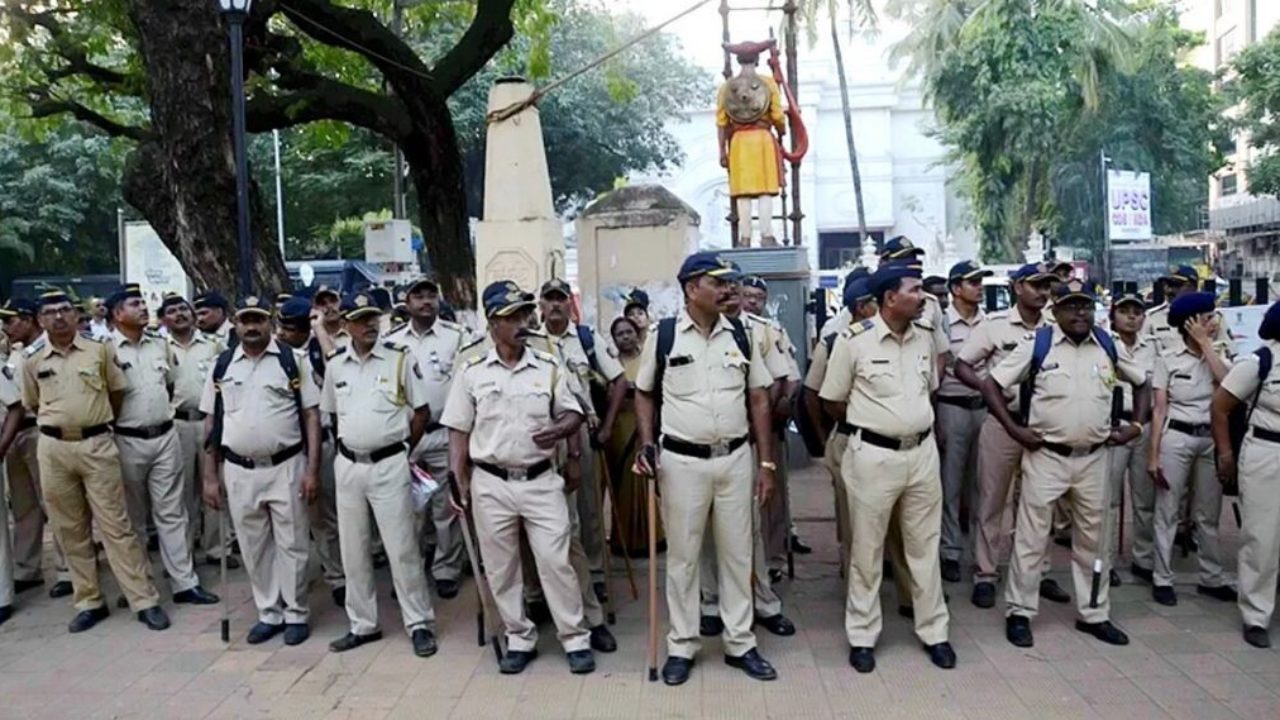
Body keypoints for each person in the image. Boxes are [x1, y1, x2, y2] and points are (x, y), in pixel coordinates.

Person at [974, 278, 1148, 648]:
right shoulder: (1038, 344)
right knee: (1031, 538)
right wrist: (1015, 429)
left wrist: (1136, 425)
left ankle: (1094, 612)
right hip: (1046, 457)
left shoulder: (1107, 343)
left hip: (1094, 458)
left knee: (1095, 542)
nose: (1080, 312)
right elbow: (991, 384)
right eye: (1071, 306)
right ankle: (1020, 611)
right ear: (1055, 312)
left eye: (1085, 306)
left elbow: (1143, 382)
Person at [634, 251, 779, 685]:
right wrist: (646, 442)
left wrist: (766, 461)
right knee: (683, 558)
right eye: (717, 282)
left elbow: (759, 399)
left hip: (736, 458)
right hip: (681, 463)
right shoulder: (662, 336)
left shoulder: (741, 334)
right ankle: (682, 644)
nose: (727, 289)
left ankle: (740, 642)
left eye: (728, 283)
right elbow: (644, 393)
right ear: (691, 288)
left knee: (738, 554)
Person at [441, 280, 596, 676]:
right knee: (502, 567)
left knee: (555, 561)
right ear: (493, 323)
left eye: (525, 313)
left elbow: (573, 412)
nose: (522, 322)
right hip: (491, 482)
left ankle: (575, 637)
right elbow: (458, 430)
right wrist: (456, 480)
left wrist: (561, 431)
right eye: (512, 316)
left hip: (541, 479)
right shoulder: (471, 372)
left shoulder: (547, 365)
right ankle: (519, 636)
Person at [818, 260, 955, 674]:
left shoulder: (925, 337)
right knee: (867, 548)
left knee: (923, 547)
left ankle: (934, 631)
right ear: (889, 298)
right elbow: (832, 400)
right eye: (915, 289)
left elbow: (928, 389)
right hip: (873, 457)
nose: (924, 297)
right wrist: (876, 424)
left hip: (922, 454)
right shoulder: (853, 340)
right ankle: (862, 635)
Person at [21, 290, 171, 634]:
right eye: (50, 313)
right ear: (40, 320)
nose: (58, 317)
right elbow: (32, 402)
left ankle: (143, 600)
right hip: (54, 448)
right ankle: (89, 600)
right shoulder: (32, 359)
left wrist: (95, 423)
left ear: (76, 315)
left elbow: (116, 392)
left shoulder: (99, 350)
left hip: (97, 444)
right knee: (69, 528)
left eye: (64, 310)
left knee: (116, 526)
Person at [321, 292, 438, 657]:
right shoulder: (336, 365)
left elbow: (422, 412)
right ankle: (363, 624)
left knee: (402, 547)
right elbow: (333, 416)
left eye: (374, 317)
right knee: (353, 549)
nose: (370, 324)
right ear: (346, 327)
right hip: (349, 465)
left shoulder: (399, 360)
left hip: (390, 464)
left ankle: (418, 623)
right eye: (361, 319)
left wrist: (402, 448)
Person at [200, 295, 322, 647]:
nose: (251, 328)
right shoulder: (222, 365)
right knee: (254, 545)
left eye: (258, 320)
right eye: (245, 320)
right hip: (238, 469)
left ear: (270, 322)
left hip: (287, 465)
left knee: (293, 543)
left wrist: (312, 470)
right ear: (236, 324)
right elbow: (211, 422)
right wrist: (210, 476)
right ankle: (269, 612)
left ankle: (296, 612)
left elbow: (311, 417)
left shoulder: (292, 361)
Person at [955, 263, 1071, 609]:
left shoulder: (1056, 327)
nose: (1042, 291)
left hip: (1044, 427)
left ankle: (1038, 571)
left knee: (1039, 502)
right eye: (1035, 285)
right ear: (1017, 287)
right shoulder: (995, 326)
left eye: (1047, 285)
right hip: (1004, 423)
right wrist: (992, 390)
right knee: (992, 501)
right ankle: (986, 574)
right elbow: (962, 365)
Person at [107, 284, 218, 606]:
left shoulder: (159, 345)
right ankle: (139, 586)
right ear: (117, 314)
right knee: (134, 519)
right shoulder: (105, 349)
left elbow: (168, 386)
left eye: (143, 302)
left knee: (173, 513)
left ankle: (185, 583)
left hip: (165, 435)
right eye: (134, 303)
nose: (143, 307)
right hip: (126, 438)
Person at [702, 276, 796, 639]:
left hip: (745, 443)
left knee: (749, 531)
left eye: (732, 290)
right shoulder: (678, 332)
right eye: (721, 289)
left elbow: (777, 383)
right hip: (699, 446)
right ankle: (711, 602)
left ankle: (763, 601)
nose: (727, 295)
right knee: (707, 531)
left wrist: (763, 434)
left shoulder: (759, 333)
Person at [537, 278, 628, 602]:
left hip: (584, 434)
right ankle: (557, 577)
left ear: (568, 303)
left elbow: (619, 380)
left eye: (561, 298)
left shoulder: (587, 339)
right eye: (550, 299)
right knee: (551, 512)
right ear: (541, 306)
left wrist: (606, 426)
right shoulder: (532, 342)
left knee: (588, 509)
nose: (556, 305)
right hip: (545, 436)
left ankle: (594, 573)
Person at [385, 276, 472, 600]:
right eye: (418, 296)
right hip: (406, 436)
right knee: (407, 509)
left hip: (443, 433)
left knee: (445, 508)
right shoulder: (391, 341)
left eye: (430, 295)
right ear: (406, 303)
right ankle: (410, 570)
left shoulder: (457, 337)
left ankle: (446, 569)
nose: (425, 301)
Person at [1148, 291, 1236, 607]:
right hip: (1177, 438)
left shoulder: (1220, 353)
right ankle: (1162, 578)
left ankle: (1211, 578)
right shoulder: (1167, 359)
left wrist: (1207, 346)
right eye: (1207, 317)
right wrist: (1154, 455)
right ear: (1190, 323)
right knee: (1167, 509)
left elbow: (1228, 384)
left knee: (1208, 513)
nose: (1213, 322)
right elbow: (1159, 409)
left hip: (1210, 438)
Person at [1211, 302, 1280, 648]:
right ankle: (1256, 615)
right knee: (1262, 538)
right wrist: (1226, 453)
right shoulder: (1261, 361)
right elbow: (1221, 407)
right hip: (1267, 452)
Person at [275, 297, 345, 607]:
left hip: (326, 441)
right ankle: (292, 582)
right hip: (290, 447)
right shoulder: (278, 355)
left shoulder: (319, 346)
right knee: (292, 520)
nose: (284, 333)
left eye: (292, 328)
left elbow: (337, 365)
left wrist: (318, 329)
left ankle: (337, 576)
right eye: (284, 327)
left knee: (326, 516)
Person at [2, 298, 72, 599]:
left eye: (11, 320)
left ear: (30, 320)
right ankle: (26, 567)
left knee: (52, 501)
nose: (6, 328)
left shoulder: (47, 348)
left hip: (37, 429)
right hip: (13, 433)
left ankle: (68, 569)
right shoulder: (17, 353)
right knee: (23, 505)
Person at [740, 274, 809, 560]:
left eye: (758, 298)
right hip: (729, 426)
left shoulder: (770, 331)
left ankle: (772, 555)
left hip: (766, 425)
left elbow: (790, 378)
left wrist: (779, 408)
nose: (752, 303)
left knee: (771, 494)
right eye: (748, 296)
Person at [936, 261, 992, 583]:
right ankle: (950, 552)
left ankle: (979, 554)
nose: (979, 287)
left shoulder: (990, 323)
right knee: (951, 484)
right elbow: (936, 368)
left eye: (980, 281)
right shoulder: (943, 323)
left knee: (982, 484)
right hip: (952, 406)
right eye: (972, 282)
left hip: (983, 407)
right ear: (956, 288)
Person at [1106, 292, 1158, 584]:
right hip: (1115, 425)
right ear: (1114, 316)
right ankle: (1108, 559)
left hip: (1145, 425)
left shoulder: (1154, 346)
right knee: (1109, 499)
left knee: (1144, 498)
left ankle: (1144, 558)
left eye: (1137, 312)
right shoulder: (1103, 345)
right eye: (1124, 311)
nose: (1131, 316)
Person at [602, 316, 661, 557]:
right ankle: (623, 539)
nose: (625, 337)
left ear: (637, 334)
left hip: (643, 425)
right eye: (619, 334)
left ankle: (653, 537)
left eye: (629, 332)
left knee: (644, 481)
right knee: (622, 485)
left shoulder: (648, 358)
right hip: (619, 428)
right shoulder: (611, 365)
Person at [718, 41, 786, 247]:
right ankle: (766, 236)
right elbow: (778, 115)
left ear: (738, 60)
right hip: (763, 139)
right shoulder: (768, 83)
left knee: (743, 191)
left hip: (739, 143)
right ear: (757, 60)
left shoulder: (726, 87)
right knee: (765, 189)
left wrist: (722, 151)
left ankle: (744, 238)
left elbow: (721, 123)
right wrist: (782, 129)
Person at [1145, 266, 1229, 354]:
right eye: (1169, 285)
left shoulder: (1213, 318)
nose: (1170, 290)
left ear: (1193, 288)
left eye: (1176, 285)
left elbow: (1228, 351)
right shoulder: (1152, 317)